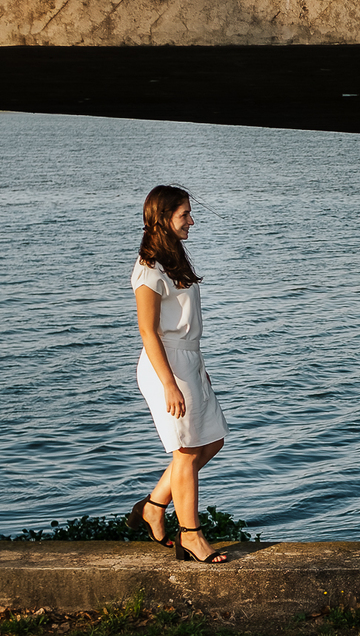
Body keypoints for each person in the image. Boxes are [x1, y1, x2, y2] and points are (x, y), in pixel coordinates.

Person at [125, 185, 230, 563]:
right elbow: (147, 331)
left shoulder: (174, 259)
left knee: (211, 441)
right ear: (163, 218)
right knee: (185, 453)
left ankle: (154, 505)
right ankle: (191, 536)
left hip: (188, 360)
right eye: (184, 214)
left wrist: (198, 369)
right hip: (164, 364)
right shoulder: (148, 268)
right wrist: (170, 383)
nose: (191, 220)